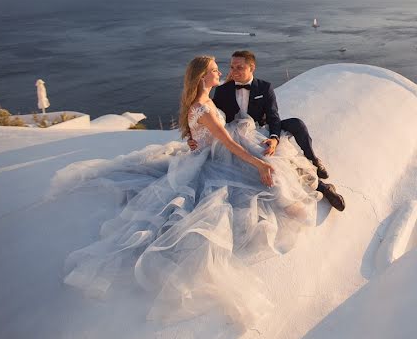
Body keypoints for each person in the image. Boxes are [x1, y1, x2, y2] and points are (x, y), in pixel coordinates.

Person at [53, 55, 322, 328]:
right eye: (217, 71)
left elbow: (208, 129)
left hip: (209, 152)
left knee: (257, 161)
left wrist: (199, 137)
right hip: (215, 159)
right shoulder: (203, 109)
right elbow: (228, 143)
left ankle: (287, 194)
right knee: (255, 179)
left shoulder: (202, 102)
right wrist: (259, 164)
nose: (224, 74)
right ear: (203, 77)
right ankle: (288, 204)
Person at [189, 50, 345, 211]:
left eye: (239, 68)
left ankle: (314, 162)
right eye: (232, 67)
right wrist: (193, 136)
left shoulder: (264, 87)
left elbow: (273, 117)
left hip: (261, 130)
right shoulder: (223, 90)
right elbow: (208, 115)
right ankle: (322, 188)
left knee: (295, 128)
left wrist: (274, 138)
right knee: (277, 162)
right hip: (237, 136)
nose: (233, 72)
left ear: (252, 68)